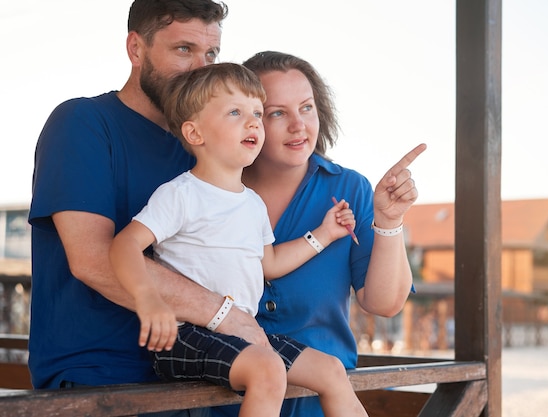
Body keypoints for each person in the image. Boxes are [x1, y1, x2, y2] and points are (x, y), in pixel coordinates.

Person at [27, 2, 272, 416]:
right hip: (102, 379)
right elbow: (92, 258)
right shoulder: (83, 122)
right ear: (136, 49)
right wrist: (228, 316)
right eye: (183, 49)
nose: (200, 66)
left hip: (199, 376)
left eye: (210, 54)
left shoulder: (203, 147)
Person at [109, 63, 368, 417]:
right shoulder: (181, 194)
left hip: (243, 334)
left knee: (331, 370)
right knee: (267, 370)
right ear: (195, 132)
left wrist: (324, 234)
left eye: (258, 113)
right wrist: (148, 299)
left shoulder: (252, 203)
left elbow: (270, 264)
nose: (253, 123)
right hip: (186, 335)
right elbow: (124, 245)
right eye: (235, 112)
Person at [212, 51, 428, 417]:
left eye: (307, 107)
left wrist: (390, 220)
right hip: (217, 402)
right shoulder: (208, 190)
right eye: (277, 113)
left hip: (319, 406)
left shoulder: (350, 188)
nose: (299, 125)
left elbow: (385, 303)